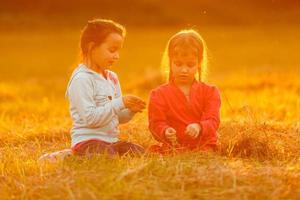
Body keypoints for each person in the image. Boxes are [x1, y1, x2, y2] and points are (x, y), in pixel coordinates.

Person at [65, 19, 146, 157]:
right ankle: (69, 155)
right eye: (112, 50)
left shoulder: (112, 77)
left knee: (139, 153)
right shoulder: (82, 79)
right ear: (91, 47)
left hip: (111, 142)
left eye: (118, 51)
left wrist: (130, 111)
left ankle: (111, 151)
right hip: (87, 142)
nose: (117, 56)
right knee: (107, 156)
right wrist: (120, 102)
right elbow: (91, 119)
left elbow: (118, 116)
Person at [148, 29, 221, 154]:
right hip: (173, 148)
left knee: (203, 157)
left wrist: (199, 126)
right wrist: (165, 131)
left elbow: (213, 120)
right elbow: (156, 123)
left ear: (199, 63)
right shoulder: (159, 94)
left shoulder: (210, 92)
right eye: (178, 64)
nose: (184, 70)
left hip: (204, 146)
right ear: (170, 62)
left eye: (190, 65)